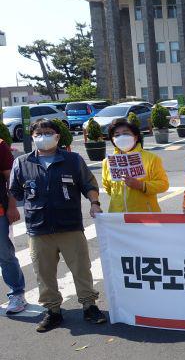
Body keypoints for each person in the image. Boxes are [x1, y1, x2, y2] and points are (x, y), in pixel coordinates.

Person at [9, 119, 106, 332]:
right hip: (38, 227)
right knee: (44, 273)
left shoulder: (73, 160)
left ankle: (89, 306)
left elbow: (89, 184)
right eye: (38, 134)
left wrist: (95, 203)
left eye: (48, 132)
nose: (43, 137)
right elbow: (14, 191)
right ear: (32, 137)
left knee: (81, 268)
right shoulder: (22, 163)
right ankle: (52, 310)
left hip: (69, 225)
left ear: (57, 136)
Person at [101, 119, 169, 213]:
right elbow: (108, 188)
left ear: (135, 137)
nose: (121, 137)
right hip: (118, 216)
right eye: (117, 135)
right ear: (113, 139)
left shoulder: (152, 159)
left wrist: (141, 185)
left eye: (126, 133)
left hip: (145, 215)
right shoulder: (108, 162)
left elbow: (163, 184)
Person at [0, 135, 26, 314]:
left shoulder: (0, 145)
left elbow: (11, 179)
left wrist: (12, 206)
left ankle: (17, 293)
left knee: (5, 255)